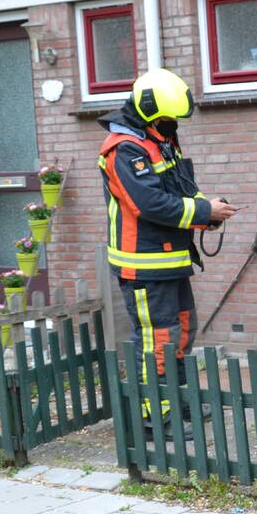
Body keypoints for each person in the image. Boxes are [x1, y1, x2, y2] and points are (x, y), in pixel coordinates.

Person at [97, 68, 237, 438]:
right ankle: (154, 417)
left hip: (171, 260)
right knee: (157, 339)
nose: (171, 123)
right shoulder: (123, 150)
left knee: (181, 332)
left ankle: (176, 399)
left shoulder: (159, 139)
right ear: (146, 112)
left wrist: (207, 208)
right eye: (165, 118)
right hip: (143, 266)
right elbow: (151, 204)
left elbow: (178, 189)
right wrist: (205, 212)